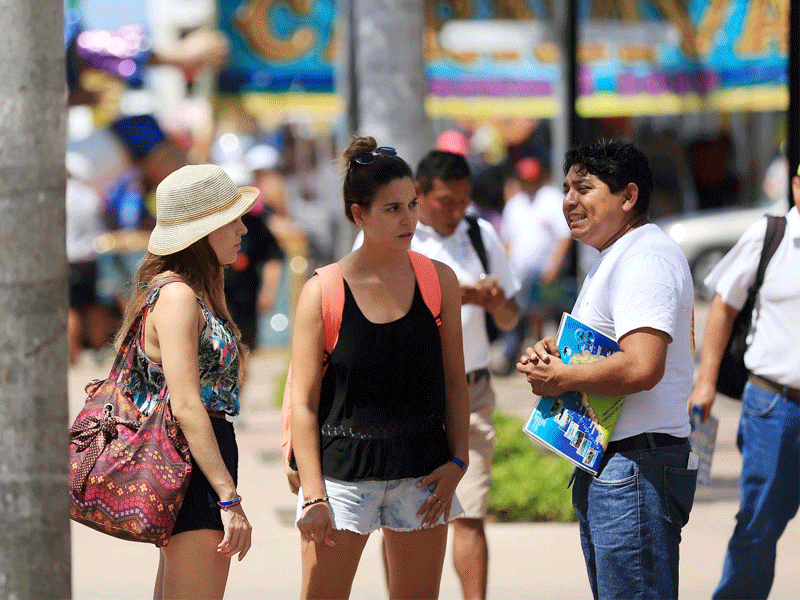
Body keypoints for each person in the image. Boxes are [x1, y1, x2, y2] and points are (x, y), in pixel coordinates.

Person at [290, 137, 470, 600]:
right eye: (392, 208)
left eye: (412, 204)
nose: (409, 218)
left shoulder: (438, 280)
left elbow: (454, 381)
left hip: (423, 474)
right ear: (358, 214)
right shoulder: (323, 291)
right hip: (340, 482)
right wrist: (313, 495)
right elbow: (303, 404)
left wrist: (458, 460)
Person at [517, 140, 697, 600]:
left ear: (628, 196)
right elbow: (612, 349)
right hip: (616, 465)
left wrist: (563, 378)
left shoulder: (644, 257)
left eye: (584, 188)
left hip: (636, 466)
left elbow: (642, 365)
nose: (568, 201)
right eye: (565, 189)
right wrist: (559, 355)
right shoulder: (616, 256)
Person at [386, 149, 521, 600]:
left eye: (463, 201)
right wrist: (452, 294)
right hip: (408, 396)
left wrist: (495, 302)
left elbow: (508, 317)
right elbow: (374, 308)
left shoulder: (480, 234)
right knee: (404, 518)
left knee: (470, 512)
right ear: (419, 194)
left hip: (473, 390)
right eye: (445, 201)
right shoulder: (394, 235)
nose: (455, 211)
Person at [115, 164, 254, 599]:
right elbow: (188, 405)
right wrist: (228, 498)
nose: (244, 228)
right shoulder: (177, 297)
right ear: (205, 230)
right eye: (232, 219)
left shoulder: (193, 292)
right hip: (193, 463)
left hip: (197, 459)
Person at [688, 167, 800, 599]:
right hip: (774, 406)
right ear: (794, 186)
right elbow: (722, 306)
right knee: (759, 523)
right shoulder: (770, 236)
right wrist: (706, 384)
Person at [498, 151, 573, 374]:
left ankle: (542, 360)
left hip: (544, 271)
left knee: (540, 317)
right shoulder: (515, 203)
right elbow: (507, 239)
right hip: (519, 271)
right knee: (516, 315)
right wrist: (506, 269)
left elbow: (563, 236)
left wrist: (554, 267)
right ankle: (513, 356)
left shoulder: (550, 198)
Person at [66, 151, 109, 363]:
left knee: (71, 309)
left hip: (69, 258)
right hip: (89, 257)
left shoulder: (62, 194)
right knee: (92, 306)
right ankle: (98, 350)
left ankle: (73, 354)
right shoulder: (90, 196)